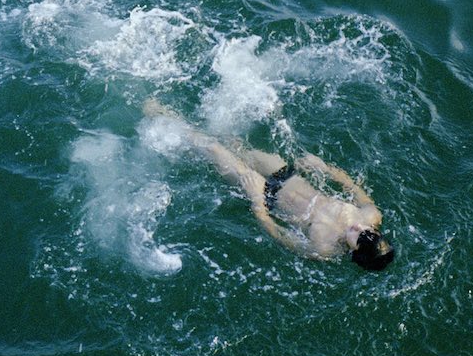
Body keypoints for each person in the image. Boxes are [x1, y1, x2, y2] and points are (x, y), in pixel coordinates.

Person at [143, 99, 395, 271]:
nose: (358, 227)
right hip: (288, 176)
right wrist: (324, 168)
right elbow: (351, 185)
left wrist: (256, 199)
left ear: (354, 252)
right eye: (367, 230)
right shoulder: (369, 215)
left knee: (213, 149)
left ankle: (162, 118)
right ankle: (188, 129)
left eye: (359, 236)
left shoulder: (324, 249)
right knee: (235, 144)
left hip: (266, 194)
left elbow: (276, 233)